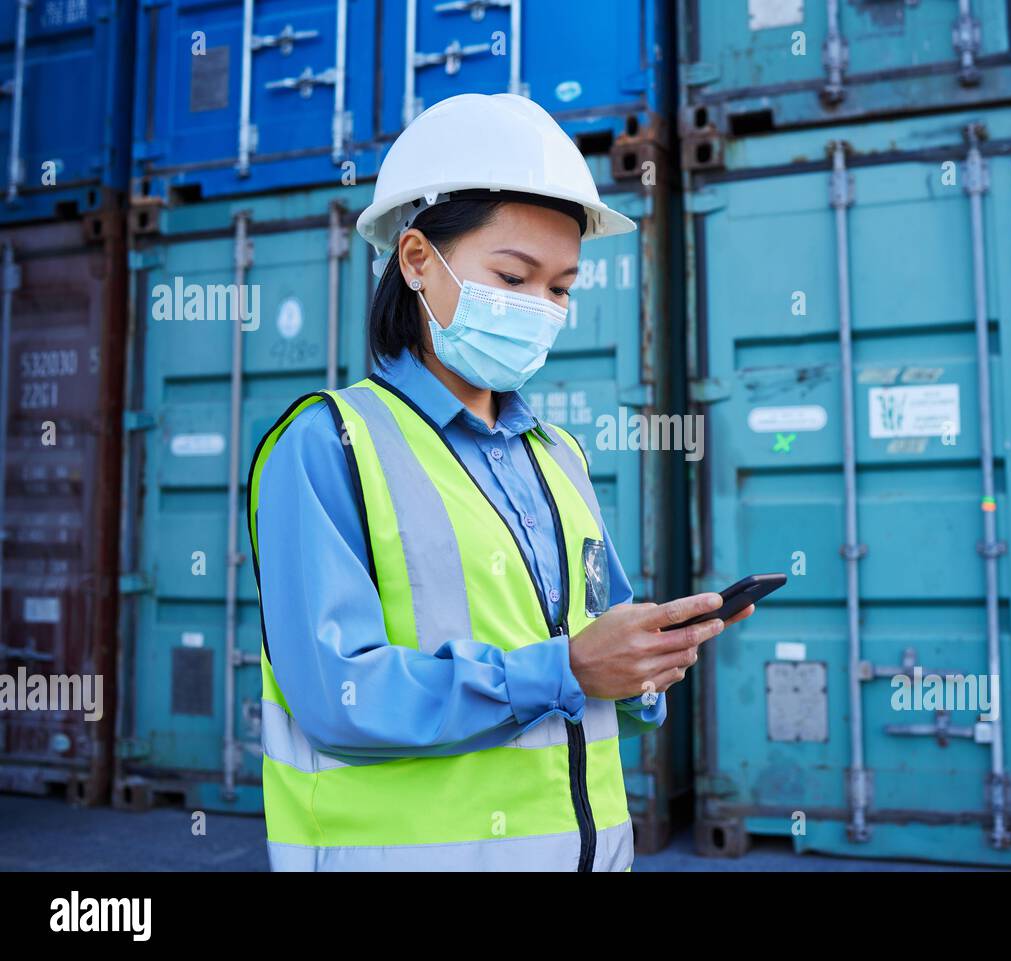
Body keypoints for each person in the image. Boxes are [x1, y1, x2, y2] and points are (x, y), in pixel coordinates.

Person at [245, 92, 752, 872]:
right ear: (417, 260)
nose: (542, 310)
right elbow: (338, 697)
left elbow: (593, 659)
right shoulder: (327, 444)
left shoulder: (559, 457)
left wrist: (645, 662)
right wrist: (568, 668)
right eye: (513, 277)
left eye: (560, 288)